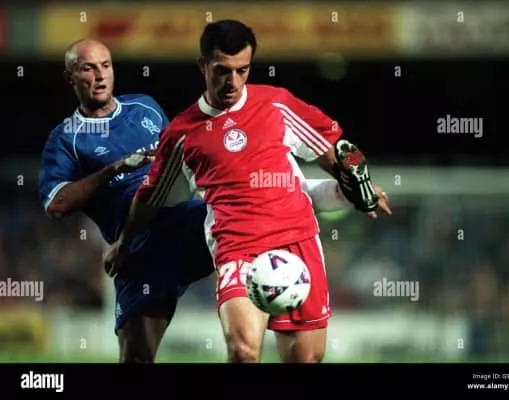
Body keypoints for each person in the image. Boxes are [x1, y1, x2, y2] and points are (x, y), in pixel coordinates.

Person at [39, 38, 364, 363]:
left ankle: (336, 199)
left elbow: (180, 163)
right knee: (136, 355)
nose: (99, 76)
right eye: (88, 68)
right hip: (139, 247)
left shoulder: (144, 107)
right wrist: (113, 170)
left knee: (252, 202)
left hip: (188, 221)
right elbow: (57, 204)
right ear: (70, 76)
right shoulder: (66, 138)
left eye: (105, 66)